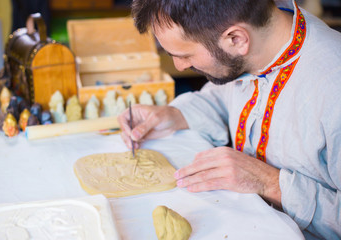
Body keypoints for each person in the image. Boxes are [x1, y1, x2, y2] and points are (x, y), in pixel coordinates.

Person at [117, 0, 341, 239]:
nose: (179, 67)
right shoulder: (263, 41)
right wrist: (173, 114)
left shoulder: (332, 88)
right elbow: (226, 98)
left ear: (236, 39)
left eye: (184, 54)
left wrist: (269, 183)